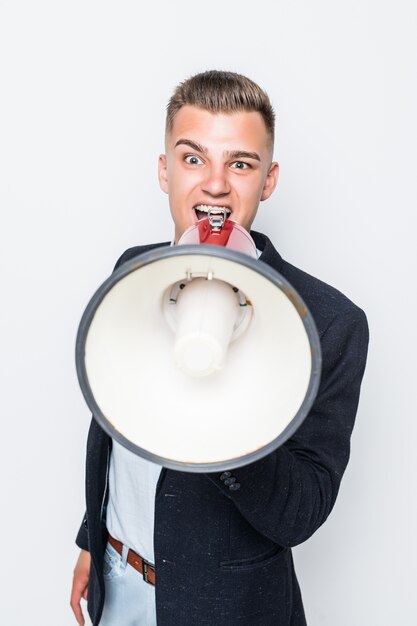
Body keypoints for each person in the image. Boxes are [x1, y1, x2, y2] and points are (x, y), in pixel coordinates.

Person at [70, 70, 369, 626]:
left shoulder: (330, 324)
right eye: (192, 159)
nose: (214, 185)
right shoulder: (132, 274)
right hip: (116, 581)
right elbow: (111, 424)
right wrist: (95, 539)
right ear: (164, 171)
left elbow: (300, 513)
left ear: (268, 179)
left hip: (226, 610)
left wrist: (221, 420)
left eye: (239, 163)